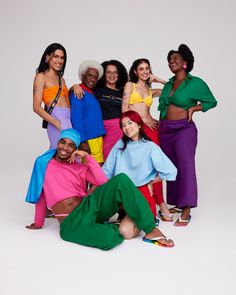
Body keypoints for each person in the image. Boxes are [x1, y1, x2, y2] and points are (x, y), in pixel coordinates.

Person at [25, 129, 175, 250]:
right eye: (63, 142)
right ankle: (112, 226)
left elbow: (102, 181)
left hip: (88, 207)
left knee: (121, 179)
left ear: (75, 150)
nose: (65, 148)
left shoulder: (79, 167)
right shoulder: (43, 163)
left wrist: (87, 157)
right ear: (57, 143)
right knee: (108, 240)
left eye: (71, 145)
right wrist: (38, 223)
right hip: (70, 222)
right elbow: (40, 194)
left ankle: (150, 230)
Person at [158, 44, 217, 226]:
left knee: (186, 165)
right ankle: (176, 201)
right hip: (165, 129)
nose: (172, 61)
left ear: (185, 63)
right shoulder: (168, 84)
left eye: (176, 58)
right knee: (171, 166)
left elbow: (212, 101)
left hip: (184, 129)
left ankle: (187, 207)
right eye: (170, 60)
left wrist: (194, 107)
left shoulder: (195, 83)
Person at [102, 110, 177, 232]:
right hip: (122, 195)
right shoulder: (120, 145)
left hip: (140, 197)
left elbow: (170, 171)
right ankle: (124, 215)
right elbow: (107, 171)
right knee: (95, 216)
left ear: (139, 124)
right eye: (124, 125)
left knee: (125, 232)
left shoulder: (150, 147)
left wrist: (149, 183)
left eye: (130, 123)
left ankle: (146, 218)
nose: (127, 127)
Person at [122, 59, 172, 221]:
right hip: (137, 131)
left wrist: (158, 80)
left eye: (147, 69)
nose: (144, 71)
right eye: (141, 69)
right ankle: (147, 205)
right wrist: (141, 122)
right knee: (140, 169)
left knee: (156, 168)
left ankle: (161, 204)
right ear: (135, 71)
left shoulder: (151, 90)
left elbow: (172, 89)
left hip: (152, 131)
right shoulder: (130, 85)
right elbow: (124, 111)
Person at [33, 43, 77, 149]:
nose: (60, 60)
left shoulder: (61, 79)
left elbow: (65, 97)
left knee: (72, 155)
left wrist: (74, 87)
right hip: (56, 118)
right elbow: (36, 107)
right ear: (48, 57)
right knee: (60, 152)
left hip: (69, 118)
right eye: (56, 56)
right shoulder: (41, 77)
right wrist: (56, 122)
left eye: (62, 58)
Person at [69, 60, 106, 164]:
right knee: (89, 170)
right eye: (90, 75)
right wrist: (82, 141)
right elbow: (76, 118)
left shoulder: (91, 93)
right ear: (83, 75)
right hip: (89, 139)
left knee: (96, 171)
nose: (93, 79)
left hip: (96, 137)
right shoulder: (79, 93)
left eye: (95, 77)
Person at [94, 60, 128, 160]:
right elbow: (83, 90)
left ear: (119, 74)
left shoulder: (124, 91)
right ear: (103, 74)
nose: (112, 75)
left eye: (115, 72)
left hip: (121, 130)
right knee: (105, 158)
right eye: (108, 72)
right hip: (103, 130)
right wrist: (75, 87)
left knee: (120, 159)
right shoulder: (97, 90)